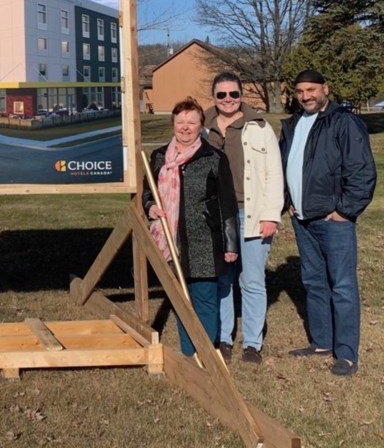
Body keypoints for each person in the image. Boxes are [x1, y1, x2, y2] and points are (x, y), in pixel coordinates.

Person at [280, 70, 376, 376]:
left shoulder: (343, 122)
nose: (305, 95)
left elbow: (362, 171)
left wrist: (345, 211)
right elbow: (287, 165)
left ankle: (346, 353)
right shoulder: (293, 124)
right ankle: (322, 342)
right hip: (303, 219)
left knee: (343, 285)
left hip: (333, 220)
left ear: (325, 89)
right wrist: (289, 203)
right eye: (300, 91)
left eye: (311, 89)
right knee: (313, 282)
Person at [143, 98, 239, 359]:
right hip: (171, 241)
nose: (185, 127)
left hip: (205, 240)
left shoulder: (213, 158)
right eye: (180, 122)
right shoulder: (159, 157)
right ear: (173, 123)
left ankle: (206, 352)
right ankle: (189, 353)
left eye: (191, 122)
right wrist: (150, 205)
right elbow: (146, 193)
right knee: (181, 301)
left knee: (205, 298)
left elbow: (228, 204)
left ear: (201, 126)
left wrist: (231, 245)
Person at [205, 73, 284, 364]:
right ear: (213, 97)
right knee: (222, 280)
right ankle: (224, 338)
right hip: (216, 216)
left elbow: (274, 173)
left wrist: (271, 215)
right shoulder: (202, 127)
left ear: (241, 95)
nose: (228, 100)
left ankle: (252, 343)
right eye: (221, 95)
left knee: (251, 280)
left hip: (251, 214)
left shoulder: (259, 127)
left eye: (233, 94)